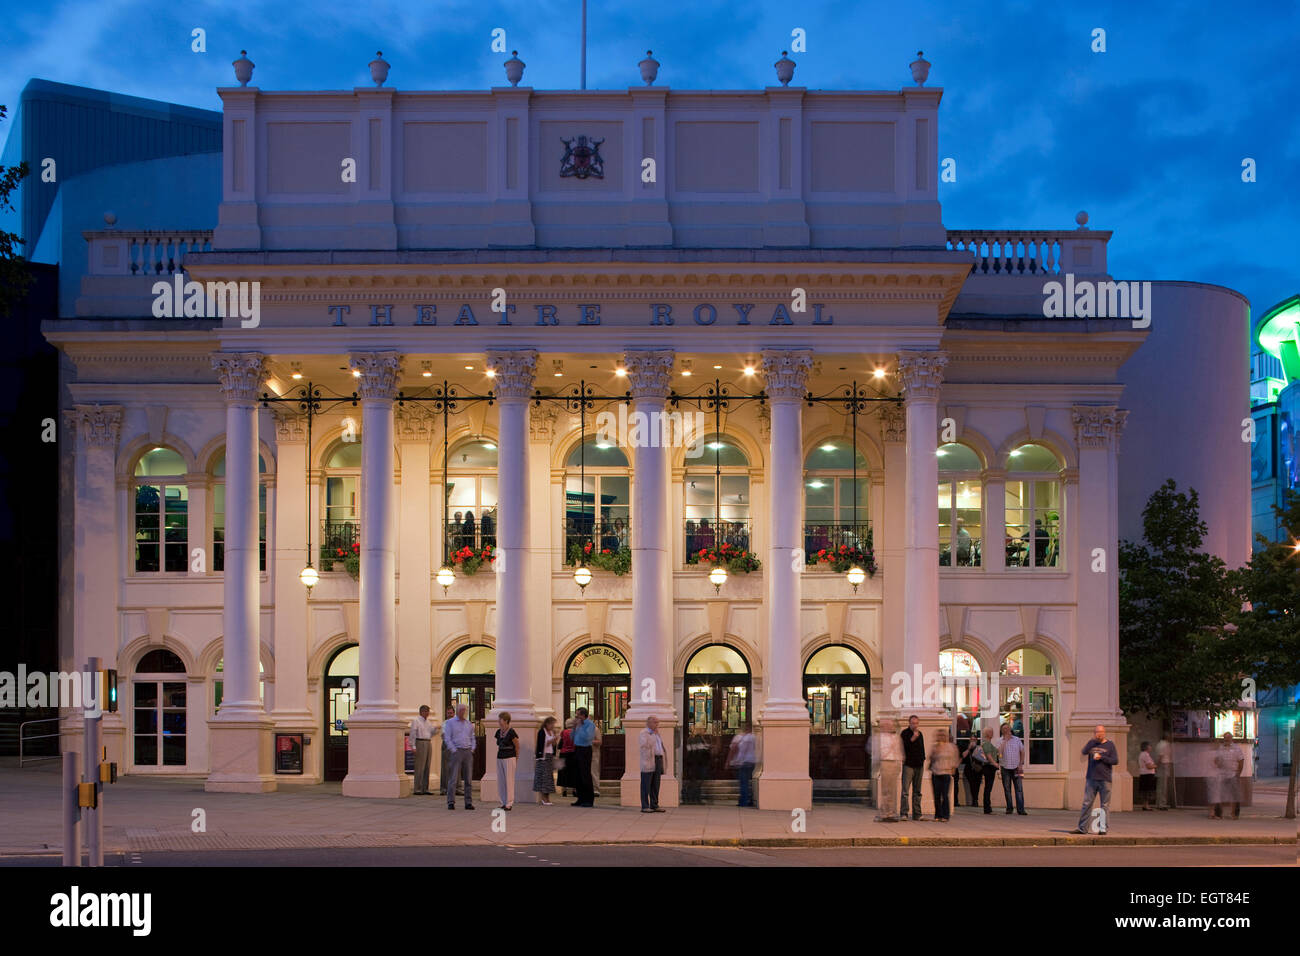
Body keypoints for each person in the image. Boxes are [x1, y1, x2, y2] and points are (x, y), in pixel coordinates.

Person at [1075, 724, 1118, 834]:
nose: (1099, 734)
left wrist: (1102, 757)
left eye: (1101, 732)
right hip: (1091, 777)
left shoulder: (1110, 745)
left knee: (1104, 805)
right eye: (1097, 732)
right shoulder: (1092, 743)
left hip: (1105, 778)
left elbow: (1115, 760)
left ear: (1104, 733)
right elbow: (1084, 752)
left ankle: (1103, 829)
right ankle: (1082, 828)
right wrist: (1091, 742)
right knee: (1087, 803)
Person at [444, 703, 476, 810]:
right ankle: (451, 801)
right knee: (453, 778)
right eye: (461, 710)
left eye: (464, 710)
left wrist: (472, 749)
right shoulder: (450, 723)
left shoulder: (468, 724)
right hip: (456, 751)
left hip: (467, 751)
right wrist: (453, 750)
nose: (463, 712)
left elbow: (472, 737)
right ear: (457, 711)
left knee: (468, 779)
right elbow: (447, 738)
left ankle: (468, 802)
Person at [873, 717, 902, 822]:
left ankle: (892, 812)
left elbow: (899, 752)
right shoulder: (879, 738)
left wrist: (899, 764)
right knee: (885, 790)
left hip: (893, 763)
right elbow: (875, 751)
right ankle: (884, 813)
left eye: (890, 725)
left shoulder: (895, 737)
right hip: (885, 763)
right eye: (887, 725)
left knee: (893, 790)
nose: (890, 727)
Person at [1210, 732, 1244, 820]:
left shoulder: (1236, 748)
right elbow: (1216, 760)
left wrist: (1238, 774)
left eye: (1228, 738)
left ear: (1231, 739)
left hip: (1233, 774)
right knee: (1219, 794)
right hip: (1222, 774)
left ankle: (1235, 814)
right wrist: (1217, 762)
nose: (1226, 740)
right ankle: (1219, 814)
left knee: (1234, 795)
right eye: (1225, 738)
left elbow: (1241, 761)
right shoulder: (1221, 748)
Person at [927, 728, 959, 821]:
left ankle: (945, 815)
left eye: (942, 735)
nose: (941, 737)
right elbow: (930, 759)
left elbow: (955, 759)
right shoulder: (934, 747)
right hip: (936, 772)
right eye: (939, 735)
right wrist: (935, 751)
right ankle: (938, 815)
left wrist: (952, 769)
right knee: (936, 795)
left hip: (946, 773)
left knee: (945, 795)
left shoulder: (951, 747)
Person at [639, 715, 667, 812]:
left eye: (657, 722)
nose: (657, 724)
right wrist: (653, 736)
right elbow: (645, 745)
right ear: (649, 723)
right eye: (655, 722)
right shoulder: (644, 733)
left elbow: (660, 746)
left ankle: (654, 804)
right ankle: (645, 806)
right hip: (648, 760)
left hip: (658, 759)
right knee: (646, 784)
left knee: (656, 784)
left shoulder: (656, 733)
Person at [998, 722, 1028, 815]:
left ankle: (1021, 809)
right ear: (1002, 731)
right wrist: (1005, 741)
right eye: (1004, 729)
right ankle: (1009, 808)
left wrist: (1021, 764)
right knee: (1007, 789)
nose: (1006, 730)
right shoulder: (999, 741)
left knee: (1019, 789)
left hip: (1017, 767)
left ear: (1010, 729)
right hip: (1005, 768)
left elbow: (1022, 752)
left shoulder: (1017, 739)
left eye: (1007, 728)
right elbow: (999, 755)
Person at [899, 715, 925, 820]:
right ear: (909, 723)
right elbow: (904, 747)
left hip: (919, 765)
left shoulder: (920, 734)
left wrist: (923, 759)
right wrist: (912, 739)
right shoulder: (904, 733)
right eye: (913, 723)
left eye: (916, 723)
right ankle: (904, 813)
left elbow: (922, 748)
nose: (915, 725)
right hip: (908, 765)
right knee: (905, 791)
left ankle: (917, 814)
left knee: (917, 791)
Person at [571, 707, 596, 806]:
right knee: (578, 775)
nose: (576, 717)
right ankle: (580, 798)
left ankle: (589, 800)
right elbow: (572, 737)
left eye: (577, 715)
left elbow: (588, 737)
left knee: (585, 775)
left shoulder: (590, 724)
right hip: (577, 749)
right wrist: (574, 728)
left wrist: (580, 727)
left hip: (585, 750)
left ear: (583, 715)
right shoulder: (578, 725)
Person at [494, 712, 519, 811]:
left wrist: (516, 757)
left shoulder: (511, 732)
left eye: (500, 719)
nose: (499, 721)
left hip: (510, 757)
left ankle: (509, 803)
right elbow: (498, 744)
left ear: (506, 720)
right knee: (501, 781)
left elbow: (517, 745)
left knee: (509, 780)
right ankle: (503, 802)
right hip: (500, 757)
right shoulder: (498, 732)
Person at [409, 705, 436, 795]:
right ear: (421, 712)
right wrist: (413, 746)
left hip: (428, 742)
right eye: (425, 711)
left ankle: (425, 788)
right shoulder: (416, 721)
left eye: (428, 711)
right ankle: (417, 788)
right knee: (420, 766)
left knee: (427, 766)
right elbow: (412, 733)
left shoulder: (428, 722)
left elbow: (431, 732)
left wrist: (435, 730)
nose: (427, 713)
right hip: (420, 742)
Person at [729, 723, 757, 807]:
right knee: (749, 782)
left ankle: (743, 801)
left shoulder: (745, 739)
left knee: (743, 782)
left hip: (745, 762)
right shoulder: (753, 737)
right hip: (752, 761)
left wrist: (737, 761)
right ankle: (750, 799)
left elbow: (742, 751)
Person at [534, 716, 559, 805]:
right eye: (552, 724)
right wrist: (552, 740)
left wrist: (555, 740)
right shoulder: (542, 732)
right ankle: (543, 798)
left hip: (549, 756)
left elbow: (553, 745)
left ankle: (547, 797)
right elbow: (542, 743)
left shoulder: (552, 732)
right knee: (544, 777)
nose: (553, 726)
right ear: (547, 724)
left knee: (549, 778)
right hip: (543, 757)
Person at [979, 727, 1000, 813]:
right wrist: (995, 764)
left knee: (988, 787)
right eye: (991, 732)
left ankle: (987, 807)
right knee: (988, 787)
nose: (992, 733)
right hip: (989, 767)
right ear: (987, 733)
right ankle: (987, 808)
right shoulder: (987, 744)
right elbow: (989, 756)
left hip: (989, 767)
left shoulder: (988, 743)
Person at [962, 735, 984, 809]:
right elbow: (963, 756)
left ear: (977, 741)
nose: (973, 741)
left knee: (977, 785)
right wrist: (969, 748)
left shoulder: (979, 748)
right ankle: (973, 800)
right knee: (971, 784)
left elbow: (983, 758)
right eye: (971, 740)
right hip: (969, 770)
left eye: (974, 740)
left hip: (978, 769)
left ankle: (975, 800)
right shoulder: (967, 748)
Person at [1154, 733, 1175, 810]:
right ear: (1167, 737)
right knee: (1163, 785)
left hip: (1161, 765)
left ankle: (1158, 803)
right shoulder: (1165, 745)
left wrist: (1156, 766)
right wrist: (1158, 765)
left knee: (1160, 785)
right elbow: (1161, 756)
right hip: (1163, 765)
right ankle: (1162, 804)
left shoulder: (1159, 744)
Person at [557, 717, 577, 796]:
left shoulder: (563, 732)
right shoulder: (575, 732)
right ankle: (574, 790)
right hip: (573, 753)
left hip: (564, 754)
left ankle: (564, 790)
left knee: (563, 772)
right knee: (573, 772)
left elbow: (560, 745)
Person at [440, 704, 456, 797]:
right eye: (448, 713)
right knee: (445, 768)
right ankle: (444, 788)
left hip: (455, 745)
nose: (449, 714)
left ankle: (456, 788)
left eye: (451, 713)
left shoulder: (457, 723)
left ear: (454, 713)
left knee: (456, 767)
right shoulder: (445, 723)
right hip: (446, 745)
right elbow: (443, 734)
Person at [590, 719, 603, 797]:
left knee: (593, 771)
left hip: (594, 753)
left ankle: (596, 789)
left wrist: (590, 741)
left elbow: (599, 742)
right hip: (585, 753)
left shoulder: (595, 729)